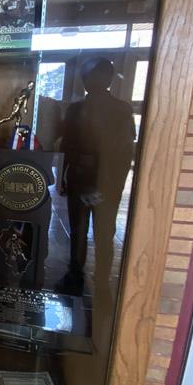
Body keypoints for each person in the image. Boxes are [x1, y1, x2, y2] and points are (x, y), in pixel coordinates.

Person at [60, 57, 135, 294]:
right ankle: (93, 278)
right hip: (95, 180)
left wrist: (67, 175)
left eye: (93, 75)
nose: (89, 80)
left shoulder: (116, 110)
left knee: (90, 230)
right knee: (94, 231)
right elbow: (68, 147)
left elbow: (124, 152)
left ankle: (85, 277)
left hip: (93, 179)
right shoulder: (81, 109)